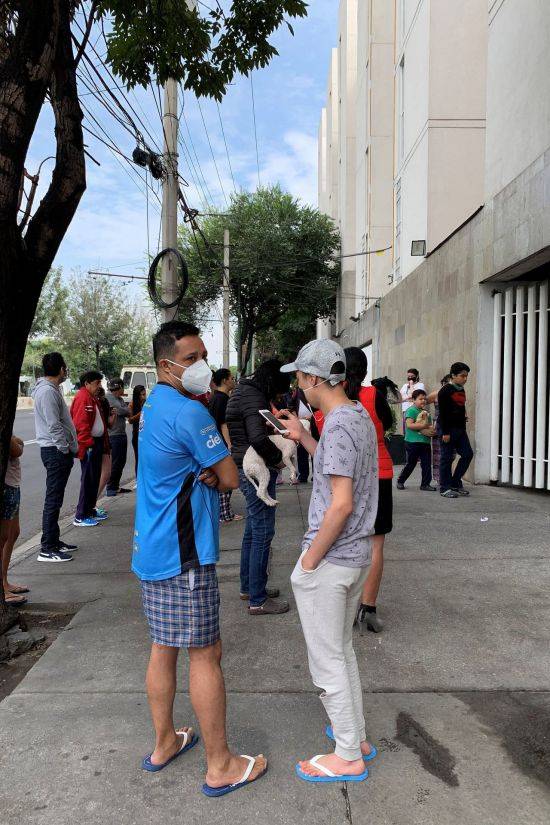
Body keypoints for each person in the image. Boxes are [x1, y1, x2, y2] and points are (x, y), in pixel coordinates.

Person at [132, 320, 267, 796]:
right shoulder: (189, 414)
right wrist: (213, 472)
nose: (201, 366)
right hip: (183, 553)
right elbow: (230, 477)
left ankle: (165, 741)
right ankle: (220, 765)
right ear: (165, 364)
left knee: (163, 647)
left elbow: (209, 470)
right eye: (190, 359)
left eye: (203, 356)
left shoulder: (154, 404)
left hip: (153, 546)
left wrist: (206, 472)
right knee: (205, 654)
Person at [277, 339, 378, 783]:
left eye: (299, 377)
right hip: (355, 555)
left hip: (332, 557)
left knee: (328, 661)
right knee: (342, 652)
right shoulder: (355, 417)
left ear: (315, 379)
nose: (298, 385)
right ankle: (353, 738)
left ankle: (347, 754)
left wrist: (308, 562)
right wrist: (304, 439)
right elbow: (341, 473)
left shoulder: (338, 425)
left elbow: (340, 503)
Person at [226, 359, 291, 615]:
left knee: (253, 531)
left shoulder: (242, 391)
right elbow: (257, 437)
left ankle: (250, 587)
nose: (278, 395)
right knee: (263, 531)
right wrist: (277, 461)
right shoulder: (254, 397)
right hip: (255, 467)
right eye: (279, 390)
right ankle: (258, 599)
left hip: (242, 464)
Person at [344, 349, 394, 634]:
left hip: (346, 476)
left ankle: (347, 607)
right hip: (380, 472)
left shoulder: (333, 398)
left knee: (346, 541)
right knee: (376, 544)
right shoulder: (374, 395)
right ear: (363, 370)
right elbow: (386, 425)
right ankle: (369, 607)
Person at [33, 352, 79, 563]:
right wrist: (64, 448)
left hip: (56, 450)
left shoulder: (51, 390)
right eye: (65, 367)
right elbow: (54, 425)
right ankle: (47, 547)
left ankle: (54, 540)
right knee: (53, 499)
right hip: (54, 450)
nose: (66, 371)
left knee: (56, 498)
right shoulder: (47, 392)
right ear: (61, 369)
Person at [71, 370, 109, 527]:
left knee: (93, 480)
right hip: (89, 444)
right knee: (88, 480)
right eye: (96, 383)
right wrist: (88, 444)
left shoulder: (91, 397)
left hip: (96, 442)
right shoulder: (82, 397)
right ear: (87, 383)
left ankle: (90, 509)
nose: (99, 386)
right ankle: (81, 515)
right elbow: (81, 423)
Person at [209, 369, 242, 525]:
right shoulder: (222, 399)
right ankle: (224, 514)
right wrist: (229, 445)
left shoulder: (215, 397)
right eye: (231, 378)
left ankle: (225, 512)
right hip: (222, 444)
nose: (233, 380)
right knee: (226, 480)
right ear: (224, 381)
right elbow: (224, 424)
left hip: (215, 442)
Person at [438, 362, 473, 498]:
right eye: (462, 376)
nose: (465, 379)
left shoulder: (461, 389)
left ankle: (455, 482)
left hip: (460, 430)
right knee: (446, 459)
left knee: (467, 454)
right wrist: (445, 432)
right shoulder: (445, 391)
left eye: (466, 376)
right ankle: (445, 488)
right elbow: (444, 413)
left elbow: (461, 407)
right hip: (447, 429)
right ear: (453, 375)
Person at [1, 435, 27, 603]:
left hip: (12, 483)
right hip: (6, 485)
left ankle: (4, 581)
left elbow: (19, 443)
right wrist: (17, 442)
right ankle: (3, 587)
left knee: (13, 533)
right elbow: (16, 449)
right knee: (3, 537)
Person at [396, 389, 437, 491]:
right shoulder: (411, 410)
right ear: (413, 400)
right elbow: (409, 425)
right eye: (420, 399)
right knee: (411, 463)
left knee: (426, 464)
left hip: (425, 442)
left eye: (424, 399)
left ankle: (425, 484)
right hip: (412, 442)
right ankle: (400, 481)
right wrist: (423, 427)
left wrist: (432, 431)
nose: (423, 401)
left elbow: (430, 425)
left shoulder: (426, 413)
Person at [105, 378, 132, 496]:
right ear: (119, 387)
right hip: (113, 435)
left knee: (121, 461)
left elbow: (128, 411)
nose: (123, 389)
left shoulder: (120, 399)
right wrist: (126, 410)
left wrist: (126, 410)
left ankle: (115, 486)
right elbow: (123, 411)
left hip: (121, 433)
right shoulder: (108, 398)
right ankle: (111, 487)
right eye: (123, 387)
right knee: (115, 462)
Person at [426, 374, 451, 485]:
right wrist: (425, 420)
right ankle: (440, 478)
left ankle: (446, 476)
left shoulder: (456, 394)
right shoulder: (436, 394)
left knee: (451, 454)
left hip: (452, 426)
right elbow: (421, 403)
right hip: (439, 425)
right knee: (438, 454)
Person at [96, 386, 116, 508]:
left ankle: (92, 503)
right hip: (100, 442)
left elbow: (109, 425)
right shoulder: (96, 402)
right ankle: (92, 503)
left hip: (103, 440)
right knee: (104, 473)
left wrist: (113, 415)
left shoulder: (101, 402)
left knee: (104, 473)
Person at [128, 385, 146, 474]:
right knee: (138, 458)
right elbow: (130, 420)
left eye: (144, 394)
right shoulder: (132, 404)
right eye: (141, 395)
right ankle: (138, 480)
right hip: (137, 435)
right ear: (137, 395)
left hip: (147, 435)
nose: (144, 397)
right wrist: (140, 414)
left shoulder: (147, 403)